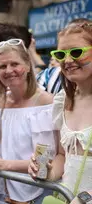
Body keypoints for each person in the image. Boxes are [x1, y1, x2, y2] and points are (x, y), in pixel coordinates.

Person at [0, 38, 54, 203]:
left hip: (35, 196)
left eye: (15, 64)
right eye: (2, 66)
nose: (9, 70)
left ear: (28, 66)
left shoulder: (45, 103)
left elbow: (45, 162)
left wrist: (2, 164)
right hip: (3, 196)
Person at [29, 19, 92, 197]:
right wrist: (48, 172)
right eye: (61, 54)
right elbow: (63, 156)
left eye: (77, 52)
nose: (68, 60)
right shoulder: (62, 101)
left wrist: (85, 198)